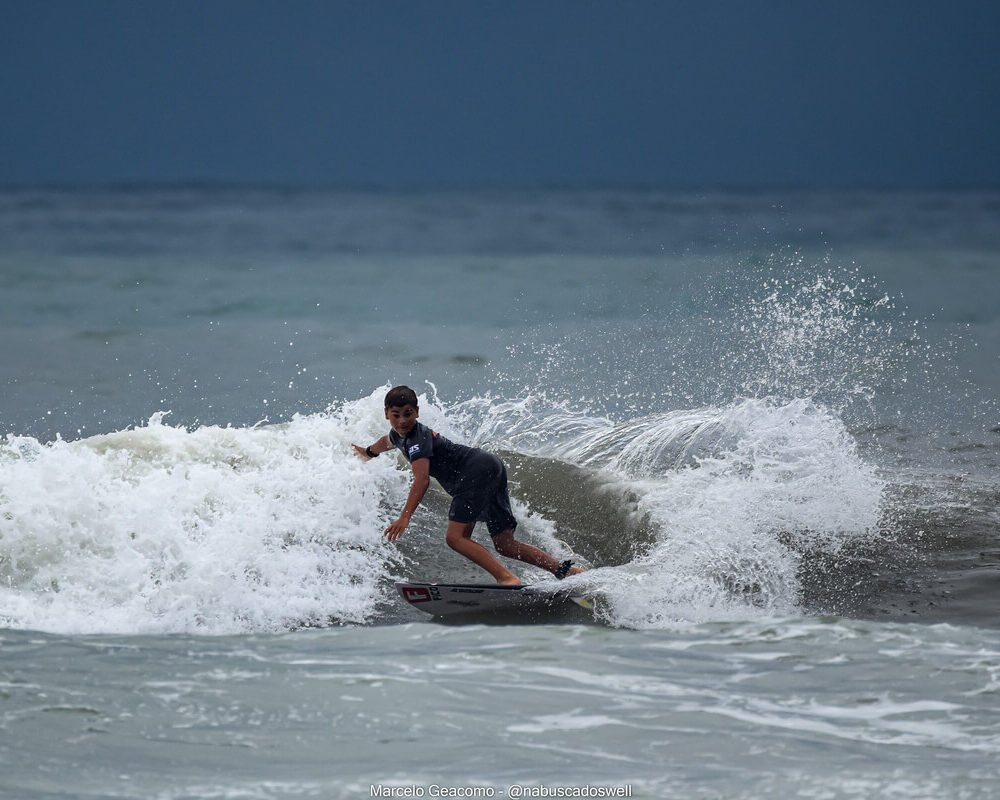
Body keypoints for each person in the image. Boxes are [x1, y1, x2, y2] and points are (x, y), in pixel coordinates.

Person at [352, 385, 584, 585]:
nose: (402, 421)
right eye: (396, 415)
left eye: (408, 414)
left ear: (417, 412)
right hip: (490, 467)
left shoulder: (418, 440)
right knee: (505, 544)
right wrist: (369, 452)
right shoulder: (397, 435)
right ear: (386, 415)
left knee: (455, 538)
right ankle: (566, 572)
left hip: (474, 474)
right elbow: (387, 441)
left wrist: (405, 517)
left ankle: (506, 578)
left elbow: (421, 479)